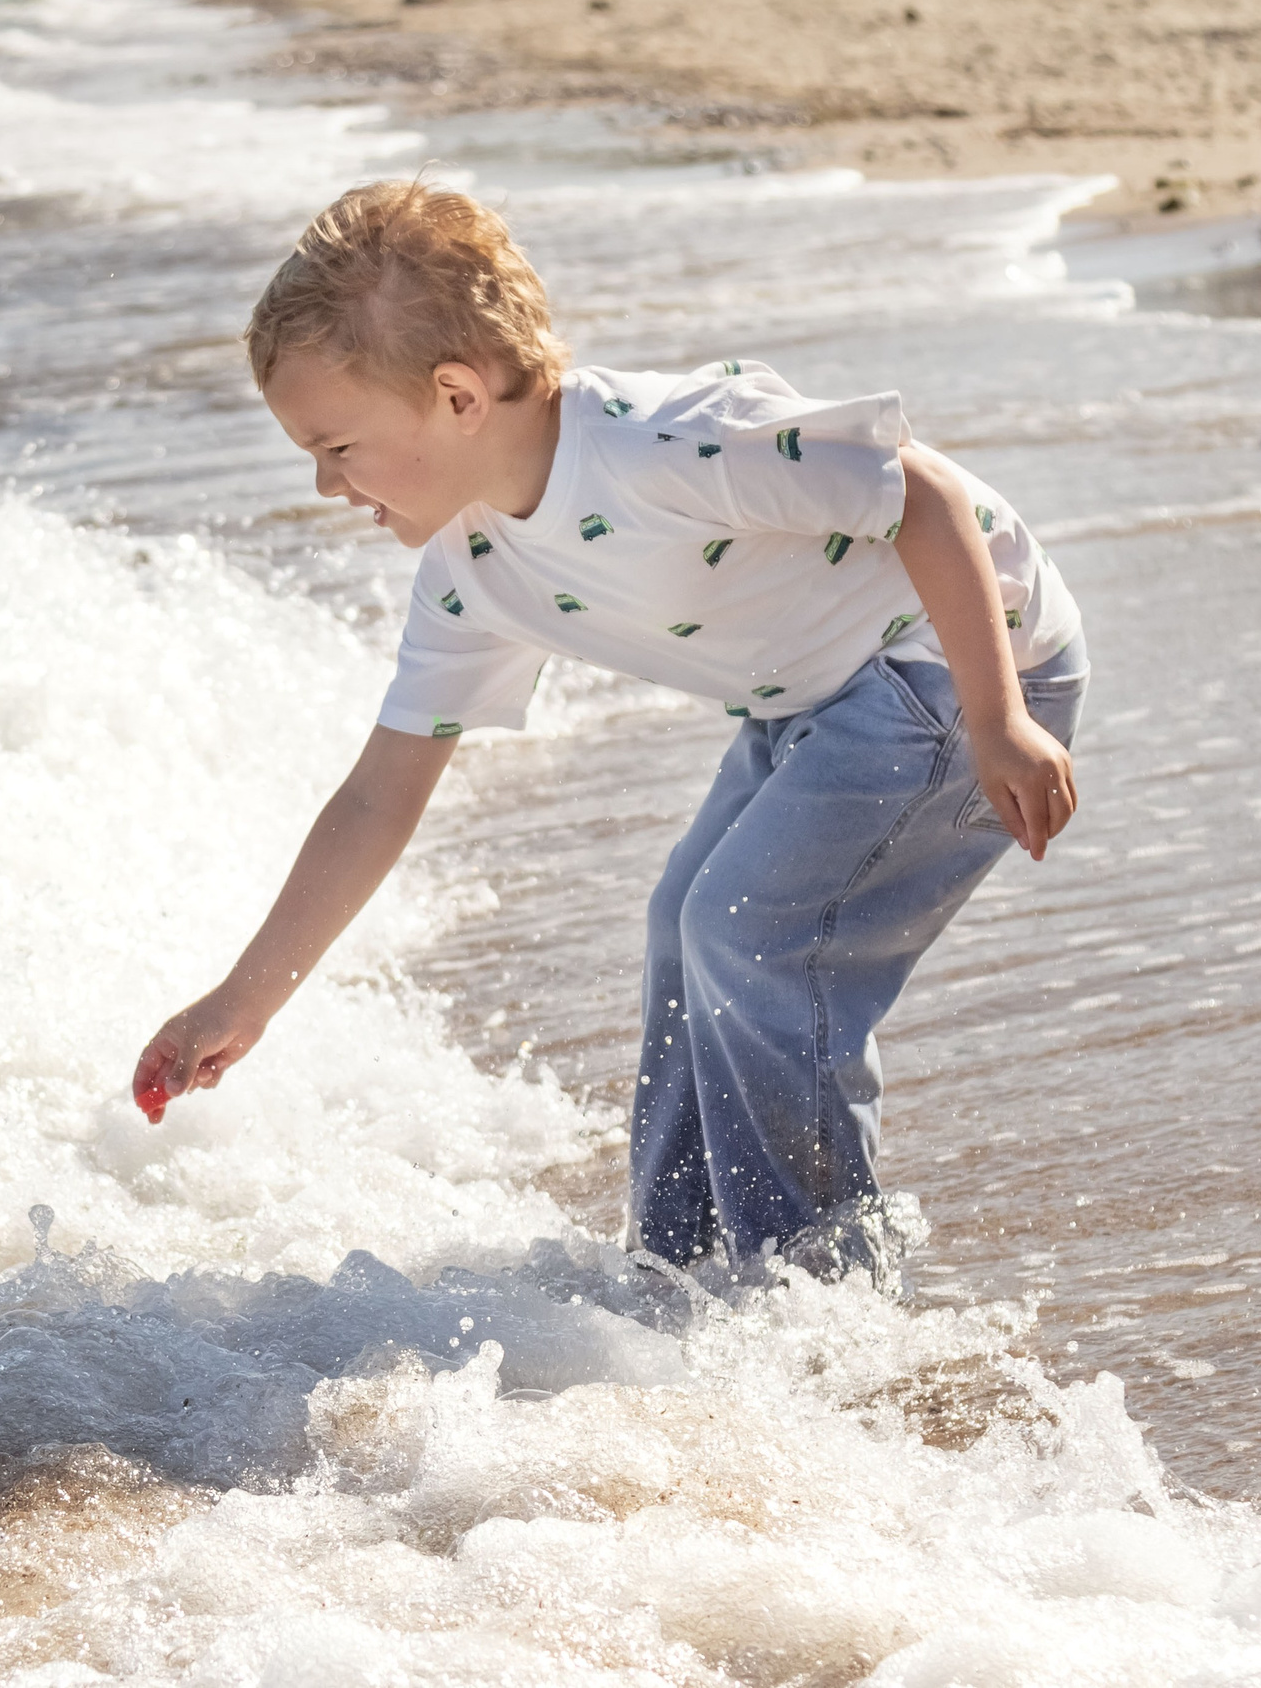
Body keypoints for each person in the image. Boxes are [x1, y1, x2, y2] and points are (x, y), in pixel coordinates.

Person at [129, 182, 1087, 1278]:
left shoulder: (657, 446)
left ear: (454, 395)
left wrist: (997, 715)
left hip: (962, 664)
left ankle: (814, 1292)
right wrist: (239, 1001)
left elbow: (916, 494)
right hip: (815, 697)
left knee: (746, 933)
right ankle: (676, 1268)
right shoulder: (470, 567)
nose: (322, 481)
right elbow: (375, 794)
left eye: (337, 445)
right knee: (681, 923)